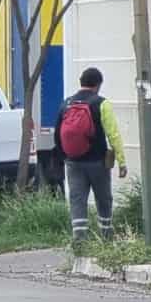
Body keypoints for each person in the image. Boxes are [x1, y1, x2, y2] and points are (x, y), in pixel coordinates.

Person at [54, 67, 127, 244]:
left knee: (77, 199)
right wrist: (121, 161)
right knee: (103, 198)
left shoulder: (66, 104)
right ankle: (107, 238)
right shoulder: (101, 103)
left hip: (73, 162)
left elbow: (57, 134)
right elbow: (113, 134)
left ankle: (79, 240)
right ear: (98, 85)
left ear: (81, 82)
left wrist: (66, 157)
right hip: (97, 161)